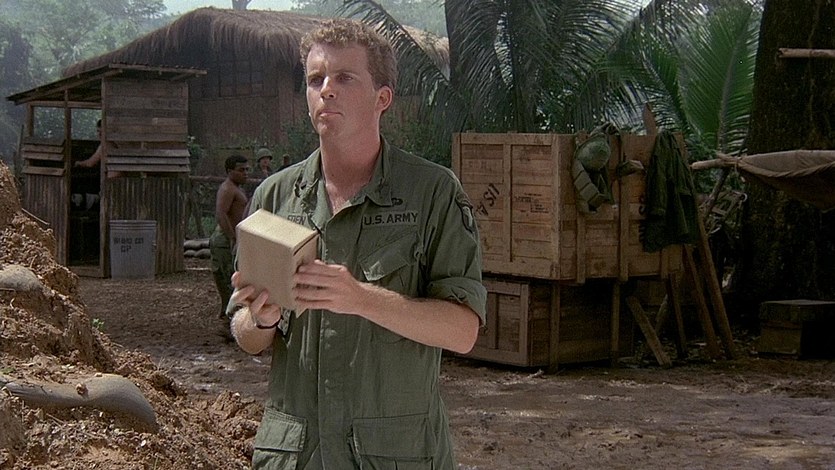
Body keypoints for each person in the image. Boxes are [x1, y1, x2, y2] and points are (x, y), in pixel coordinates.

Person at [228, 18, 486, 469]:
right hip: (298, 454)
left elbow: (463, 331)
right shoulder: (274, 197)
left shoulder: (432, 193)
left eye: (344, 78)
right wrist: (260, 319)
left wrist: (361, 298)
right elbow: (246, 335)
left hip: (394, 455)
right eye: (315, 80)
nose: (326, 90)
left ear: (382, 98)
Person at [210, 154, 249, 320]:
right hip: (224, 240)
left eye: (246, 170)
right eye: (241, 170)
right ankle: (228, 318)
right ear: (229, 171)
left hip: (231, 238)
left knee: (233, 278)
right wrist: (232, 238)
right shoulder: (227, 189)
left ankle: (228, 315)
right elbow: (221, 213)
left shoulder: (237, 188)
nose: (245, 173)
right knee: (227, 279)